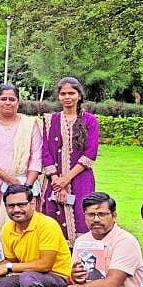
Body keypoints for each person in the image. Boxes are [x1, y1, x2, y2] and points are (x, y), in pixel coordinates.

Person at [40, 76, 99, 245]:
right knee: (53, 216)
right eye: (63, 93)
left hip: (80, 179)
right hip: (54, 180)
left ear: (79, 95)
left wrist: (67, 179)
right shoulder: (50, 120)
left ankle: (81, 259)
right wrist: (56, 179)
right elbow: (45, 151)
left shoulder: (89, 120)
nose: (67, 97)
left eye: (71, 93)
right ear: (58, 96)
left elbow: (90, 153)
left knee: (81, 215)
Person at [0, 84, 43, 225]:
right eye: (3, 99)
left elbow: (37, 157)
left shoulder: (30, 124)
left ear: (18, 102)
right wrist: (8, 178)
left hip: (24, 183)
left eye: (12, 99)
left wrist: (26, 187)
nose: (7, 102)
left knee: (25, 225)